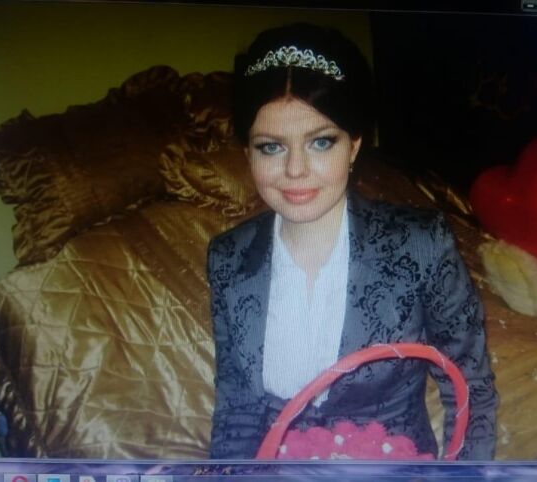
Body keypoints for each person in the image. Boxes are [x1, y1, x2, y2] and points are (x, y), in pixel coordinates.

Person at [207, 23, 498, 460]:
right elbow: (236, 409)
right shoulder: (227, 257)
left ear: (354, 146)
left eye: (321, 142)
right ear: (248, 153)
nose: (296, 170)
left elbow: (470, 390)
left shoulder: (421, 243)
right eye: (271, 147)